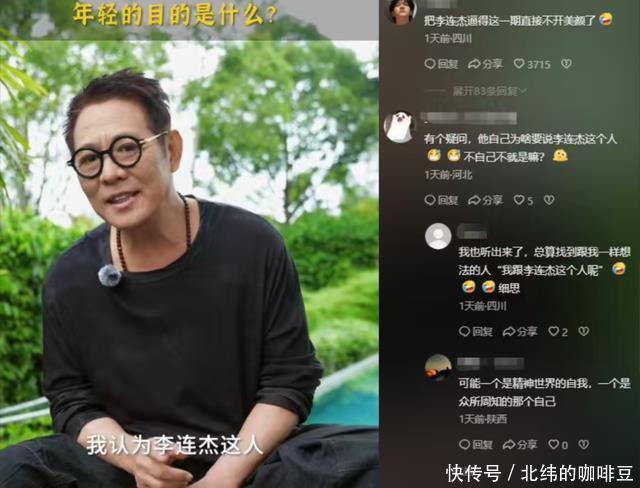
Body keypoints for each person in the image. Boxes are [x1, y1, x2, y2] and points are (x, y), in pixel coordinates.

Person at [0, 69, 378, 487]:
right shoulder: (69, 278)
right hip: (127, 468)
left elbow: (289, 381)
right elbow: (71, 401)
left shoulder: (252, 243)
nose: (109, 173)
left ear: (172, 150)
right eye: (90, 159)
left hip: (250, 460)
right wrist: (138, 460)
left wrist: (221, 479)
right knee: (14, 469)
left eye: (127, 149)